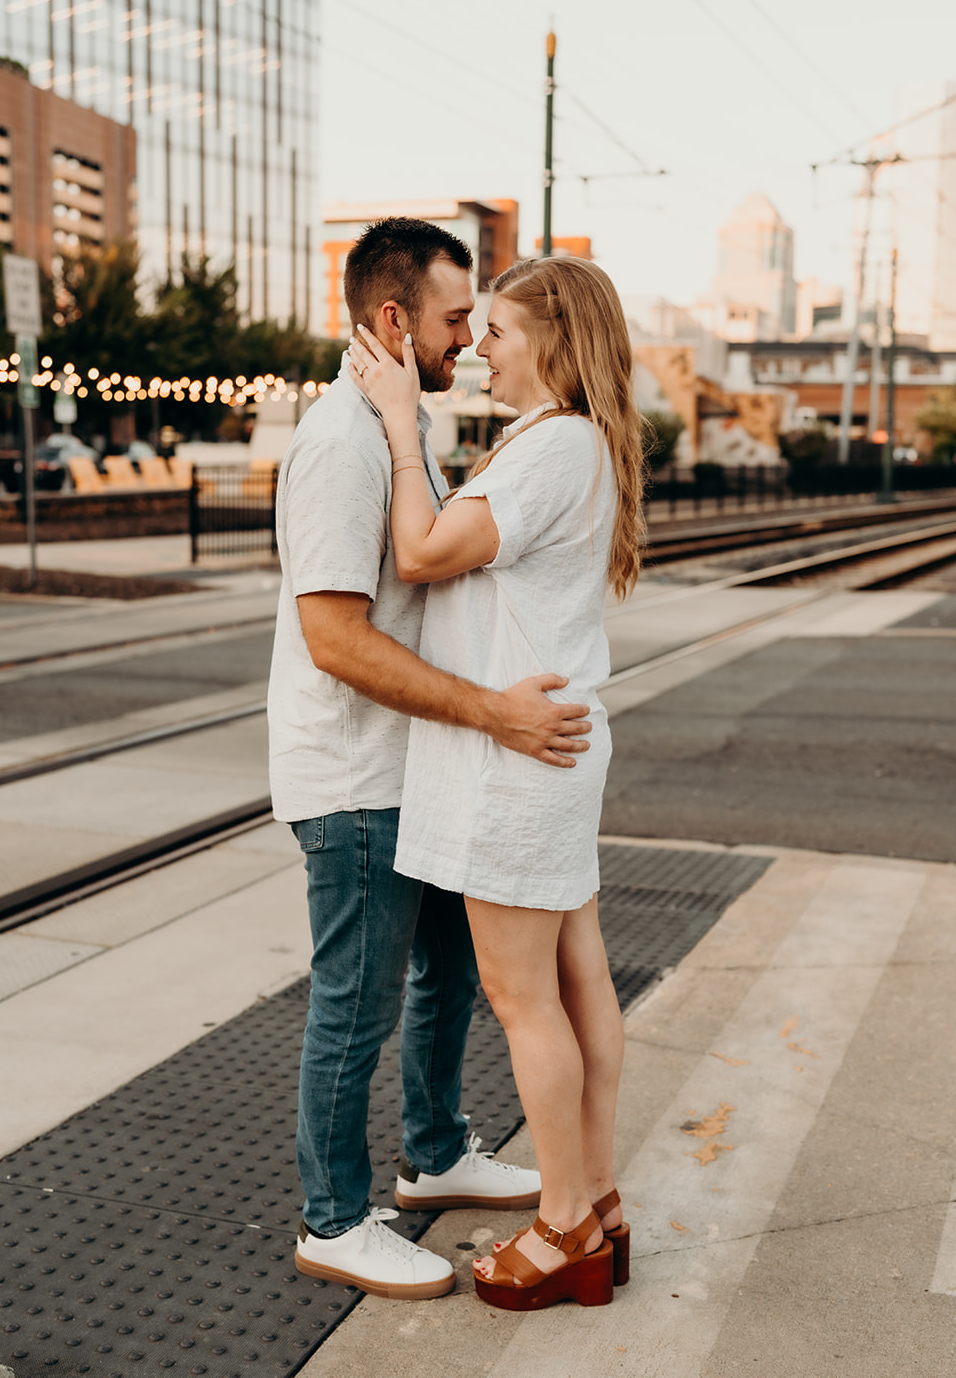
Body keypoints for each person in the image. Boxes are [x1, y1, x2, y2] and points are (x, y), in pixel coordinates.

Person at [268, 218, 595, 1301]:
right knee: (354, 1002)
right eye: (459, 319)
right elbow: (336, 638)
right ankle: (331, 1218)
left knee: (448, 975)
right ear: (395, 321)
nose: (469, 341)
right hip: (359, 775)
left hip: (423, 768)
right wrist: (490, 712)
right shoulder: (343, 444)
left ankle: (436, 1149)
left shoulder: (400, 426)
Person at [349, 254, 645, 1312]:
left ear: (554, 341)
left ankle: (563, 1223)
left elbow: (424, 552)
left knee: (525, 1000)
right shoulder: (570, 442)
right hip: (551, 743)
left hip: (517, 759)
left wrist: (397, 423)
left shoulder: (549, 446)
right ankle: (598, 1199)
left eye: (501, 331)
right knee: (573, 981)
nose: (479, 344)